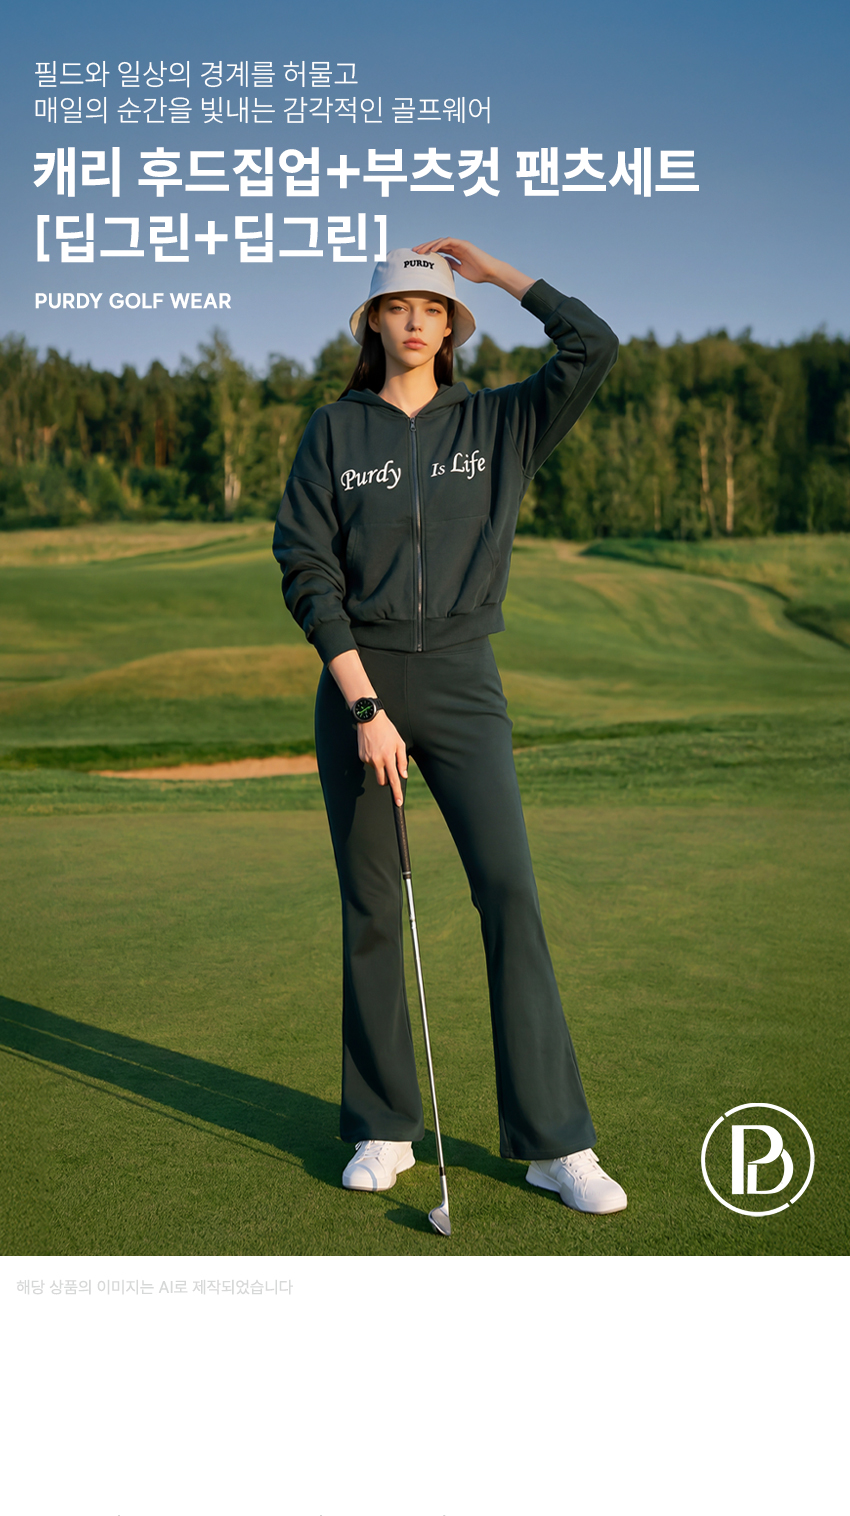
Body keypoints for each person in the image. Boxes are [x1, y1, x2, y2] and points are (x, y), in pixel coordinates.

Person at [273, 238, 628, 1216]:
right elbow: (306, 567)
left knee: (508, 890)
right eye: (399, 306)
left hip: (465, 681)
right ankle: (382, 1127)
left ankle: (556, 1144)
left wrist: (499, 272)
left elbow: (593, 346)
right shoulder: (334, 432)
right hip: (362, 681)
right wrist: (363, 705)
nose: (416, 321)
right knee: (372, 908)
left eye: (433, 308)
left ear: (452, 325)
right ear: (374, 322)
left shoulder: (500, 421)